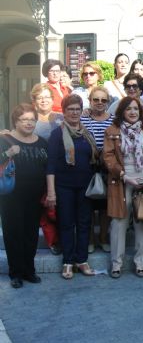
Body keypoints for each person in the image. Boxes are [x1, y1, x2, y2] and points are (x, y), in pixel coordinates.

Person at [102, 97, 143, 278]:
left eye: (136, 109)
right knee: (119, 223)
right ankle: (116, 264)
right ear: (122, 112)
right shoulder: (113, 130)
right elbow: (108, 157)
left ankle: (140, 263)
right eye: (128, 109)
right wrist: (124, 176)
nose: (133, 112)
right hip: (121, 181)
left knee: (142, 222)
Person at [45, 94, 99, 279]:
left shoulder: (87, 134)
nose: (74, 112)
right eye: (70, 109)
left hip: (85, 187)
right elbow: (50, 164)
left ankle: (81, 260)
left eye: (77, 109)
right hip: (63, 187)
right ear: (64, 111)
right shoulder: (57, 134)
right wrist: (51, 192)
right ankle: (68, 261)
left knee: (84, 224)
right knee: (66, 224)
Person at [0, 104, 48, 288]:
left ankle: (29, 270)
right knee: (14, 234)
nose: (29, 123)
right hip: (11, 197)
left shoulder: (42, 142)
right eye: (24, 119)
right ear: (16, 121)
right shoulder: (5, 139)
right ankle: (16, 273)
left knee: (31, 235)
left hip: (35, 196)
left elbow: (48, 167)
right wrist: (7, 153)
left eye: (32, 119)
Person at [29, 84, 63, 255]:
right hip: (36, 170)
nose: (44, 100)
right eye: (39, 97)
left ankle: (61, 238)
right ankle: (52, 241)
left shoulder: (61, 118)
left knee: (57, 207)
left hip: (60, 171)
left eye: (47, 97)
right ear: (34, 101)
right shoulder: (29, 119)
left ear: (52, 99)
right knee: (45, 209)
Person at [80, 87, 114, 253]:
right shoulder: (83, 119)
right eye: (96, 100)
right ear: (90, 101)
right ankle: (91, 239)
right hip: (88, 166)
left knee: (105, 205)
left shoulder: (114, 120)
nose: (100, 103)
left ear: (108, 102)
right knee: (90, 204)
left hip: (108, 167)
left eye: (103, 100)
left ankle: (103, 237)